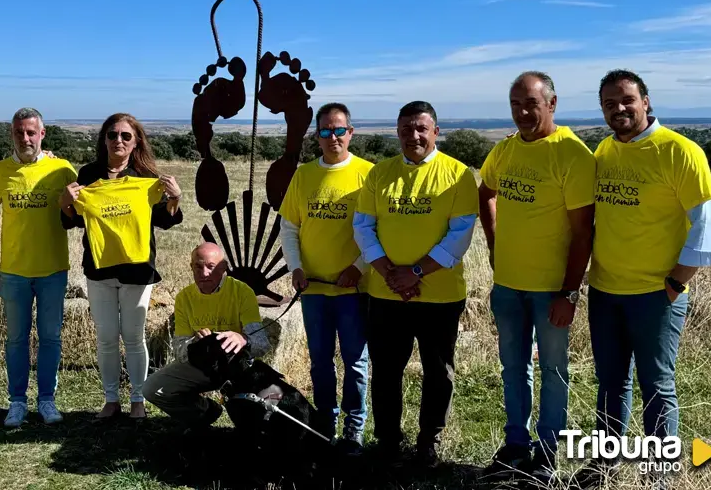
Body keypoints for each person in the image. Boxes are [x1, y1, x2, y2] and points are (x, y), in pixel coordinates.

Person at [574, 70, 711, 490]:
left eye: (627, 100)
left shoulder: (679, 151)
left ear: (646, 102)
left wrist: (676, 282)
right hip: (605, 290)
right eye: (609, 104)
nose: (618, 109)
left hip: (656, 295)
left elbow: (706, 224)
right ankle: (605, 464)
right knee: (610, 382)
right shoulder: (605, 149)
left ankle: (659, 475)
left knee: (657, 385)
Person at [477, 72, 595, 486]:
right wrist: (493, 244)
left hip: (551, 289)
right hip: (507, 284)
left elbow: (583, 232)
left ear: (552, 104)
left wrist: (569, 292)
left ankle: (546, 455)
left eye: (531, 103)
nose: (523, 112)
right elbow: (486, 190)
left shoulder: (572, 154)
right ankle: (515, 446)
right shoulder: (505, 149)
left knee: (554, 371)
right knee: (512, 367)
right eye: (515, 104)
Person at [352, 101, 479, 467]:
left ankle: (429, 441)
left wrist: (416, 272)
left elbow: (459, 235)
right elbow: (363, 226)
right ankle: (388, 441)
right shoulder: (380, 174)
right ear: (397, 132)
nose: (414, 136)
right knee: (386, 371)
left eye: (421, 128)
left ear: (436, 132)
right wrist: (389, 272)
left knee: (438, 372)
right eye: (406, 129)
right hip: (385, 292)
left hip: (439, 295)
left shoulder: (457, 175)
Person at [59, 113, 183, 422]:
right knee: (106, 336)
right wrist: (66, 203)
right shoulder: (88, 174)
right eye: (113, 134)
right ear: (104, 139)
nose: (119, 140)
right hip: (99, 269)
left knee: (133, 335)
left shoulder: (145, 177)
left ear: (136, 140)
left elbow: (165, 221)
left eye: (126, 136)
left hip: (137, 270)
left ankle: (138, 399)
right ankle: (111, 399)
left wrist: (175, 199)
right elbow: (72, 220)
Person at [279, 102, 372, 453]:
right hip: (314, 288)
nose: (333, 137)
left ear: (350, 133)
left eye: (339, 130)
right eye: (325, 131)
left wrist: (359, 267)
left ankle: (354, 426)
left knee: (355, 361)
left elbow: (379, 231)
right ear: (316, 136)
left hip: (353, 289)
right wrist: (296, 268)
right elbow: (290, 227)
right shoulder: (304, 175)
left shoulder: (368, 174)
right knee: (319, 360)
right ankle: (325, 422)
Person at [0, 107, 78, 428]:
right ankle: (18, 402)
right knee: (16, 340)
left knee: (51, 338)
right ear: (12, 134)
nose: (25, 138)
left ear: (42, 134)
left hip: (53, 270)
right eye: (18, 132)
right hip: (13, 272)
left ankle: (47, 400)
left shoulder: (62, 169)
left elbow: (81, 208)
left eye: (30, 132)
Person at [144, 243, 270, 427]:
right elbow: (180, 352)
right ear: (191, 267)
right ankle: (204, 413)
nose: (204, 273)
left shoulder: (242, 292)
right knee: (151, 388)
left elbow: (262, 344)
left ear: (223, 268)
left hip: (236, 369)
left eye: (211, 267)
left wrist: (242, 339)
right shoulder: (184, 298)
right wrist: (195, 343)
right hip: (201, 366)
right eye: (198, 266)